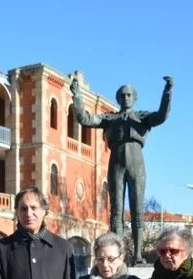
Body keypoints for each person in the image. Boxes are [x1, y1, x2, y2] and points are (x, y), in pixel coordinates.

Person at [70, 76, 173, 263]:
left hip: (136, 163)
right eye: (123, 95)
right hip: (116, 162)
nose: (126, 98)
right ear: (118, 99)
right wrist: (76, 96)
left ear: (134, 98)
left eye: (129, 95)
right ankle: (118, 255)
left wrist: (167, 92)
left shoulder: (142, 117)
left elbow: (161, 115)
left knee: (137, 210)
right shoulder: (110, 118)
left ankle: (138, 255)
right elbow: (85, 118)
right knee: (116, 210)